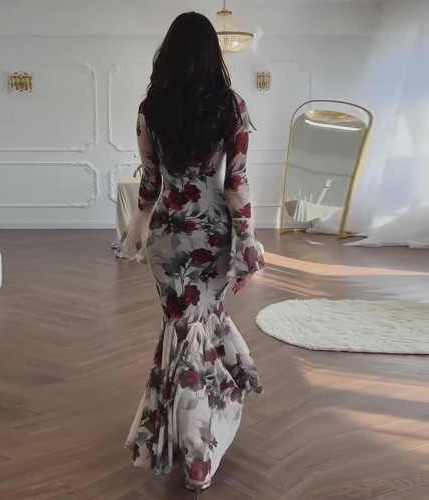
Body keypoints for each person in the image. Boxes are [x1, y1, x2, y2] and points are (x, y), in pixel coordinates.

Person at [116, 11, 265, 498]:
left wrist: (138, 225)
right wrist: (247, 246)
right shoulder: (232, 106)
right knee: (200, 332)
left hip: (168, 236)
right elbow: (236, 183)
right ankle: (198, 452)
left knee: (182, 335)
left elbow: (150, 181)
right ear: (211, 54)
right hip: (213, 235)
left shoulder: (152, 107)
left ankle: (190, 438)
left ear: (169, 52)